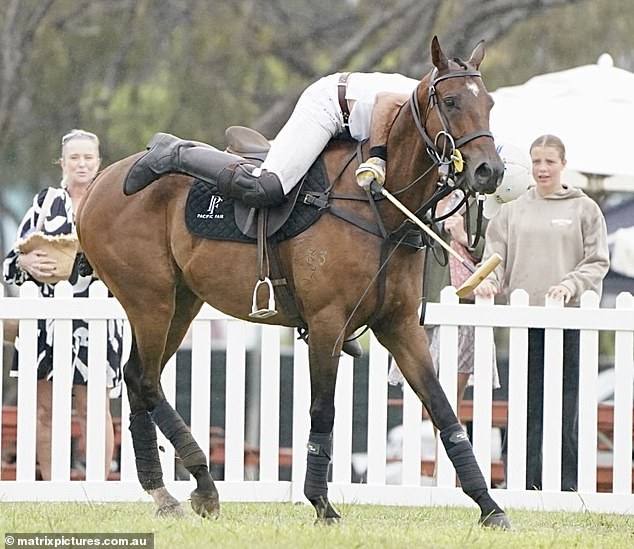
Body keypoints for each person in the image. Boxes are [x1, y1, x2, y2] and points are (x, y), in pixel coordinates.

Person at [473, 134, 610, 491]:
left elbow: (597, 261)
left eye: (549, 161)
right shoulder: (511, 210)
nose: (542, 168)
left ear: (563, 163)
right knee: (524, 406)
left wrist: (570, 285)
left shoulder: (585, 209)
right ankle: (521, 481)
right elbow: (494, 260)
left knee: (567, 408)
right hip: (523, 325)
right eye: (536, 161)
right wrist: (488, 283)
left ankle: (566, 485)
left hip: (571, 323)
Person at [3, 129, 124, 480]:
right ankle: (53, 483)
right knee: (45, 408)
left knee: (94, 406)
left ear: (99, 162)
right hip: (45, 320)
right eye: (75, 157)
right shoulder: (45, 202)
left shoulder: (112, 202)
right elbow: (12, 261)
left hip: (97, 319)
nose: (82, 164)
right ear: (63, 162)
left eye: (88, 157)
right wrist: (26, 263)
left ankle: (97, 487)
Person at [123, 72, 420, 206]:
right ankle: (175, 153)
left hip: (349, 126)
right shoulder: (422, 98)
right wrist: (378, 158)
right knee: (266, 187)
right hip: (330, 105)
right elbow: (384, 104)